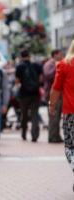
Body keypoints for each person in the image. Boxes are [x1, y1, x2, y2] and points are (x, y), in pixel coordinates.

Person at [49, 40, 74, 191]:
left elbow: (56, 88)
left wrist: (52, 105)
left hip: (71, 113)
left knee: (70, 146)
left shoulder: (64, 65)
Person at [15, 49, 43, 142]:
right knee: (35, 114)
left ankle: (24, 133)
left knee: (24, 114)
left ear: (21, 56)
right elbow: (41, 78)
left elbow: (17, 81)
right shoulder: (36, 65)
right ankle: (35, 135)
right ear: (29, 56)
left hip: (24, 94)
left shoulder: (19, 67)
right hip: (35, 93)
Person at [43, 49, 64, 143]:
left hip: (59, 94)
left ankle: (57, 135)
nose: (62, 55)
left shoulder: (57, 63)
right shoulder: (49, 64)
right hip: (52, 95)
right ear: (55, 55)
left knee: (57, 117)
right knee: (53, 117)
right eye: (60, 54)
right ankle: (52, 137)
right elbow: (48, 75)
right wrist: (57, 67)